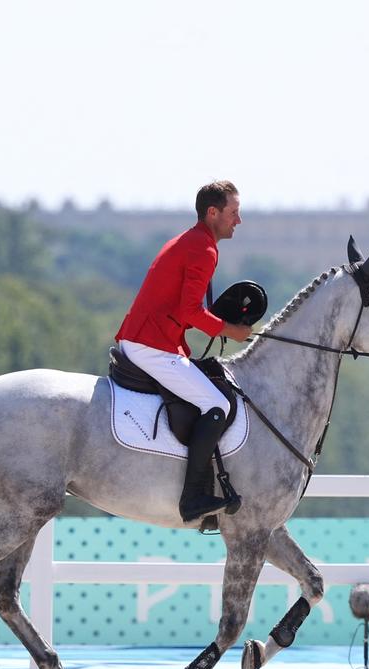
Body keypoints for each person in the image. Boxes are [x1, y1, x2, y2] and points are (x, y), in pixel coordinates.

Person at [114, 181, 252, 522]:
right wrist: (231, 331)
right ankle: (193, 498)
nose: (239, 220)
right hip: (151, 346)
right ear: (213, 213)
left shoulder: (193, 241)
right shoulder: (202, 250)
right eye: (234, 213)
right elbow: (191, 311)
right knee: (218, 403)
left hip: (153, 339)